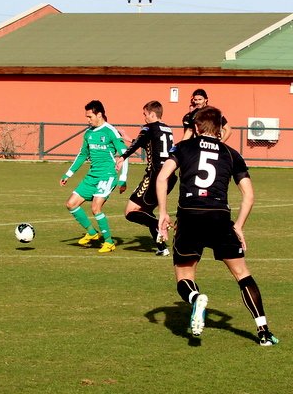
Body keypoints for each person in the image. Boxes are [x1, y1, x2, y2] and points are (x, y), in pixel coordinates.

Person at [156, 106, 278, 346]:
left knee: (184, 275)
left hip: (190, 215)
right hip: (219, 216)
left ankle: (195, 297)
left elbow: (163, 177)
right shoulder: (232, 154)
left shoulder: (182, 147)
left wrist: (162, 212)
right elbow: (249, 196)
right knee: (242, 274)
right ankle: (263, 331)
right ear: (221, 129)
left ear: (197, 127)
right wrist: (239, 226)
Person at [60, 100, 128, 253]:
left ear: (99, 114)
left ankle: (109, 242)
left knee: (95, 208)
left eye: (90, 116)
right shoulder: (88, 133)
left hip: (107, 175)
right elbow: (82, 154)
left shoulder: (111, 131)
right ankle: (92, 233)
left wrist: (123, 179)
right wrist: (68, 174)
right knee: (71, 204)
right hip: (92, 175)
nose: (87, 120)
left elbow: (125, 155)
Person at [115, 101, 177, 256]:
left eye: (145, 114)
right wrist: (129, 138)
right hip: (169, 177)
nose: (144, 118)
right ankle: (162, 248)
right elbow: (149, 145)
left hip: (155, 177)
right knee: (146, 211)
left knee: (130, 211)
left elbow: (138, 144)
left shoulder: (148, 128)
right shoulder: (167, 129)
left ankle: (160, 224)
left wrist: (123, 157)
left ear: (152, 114)